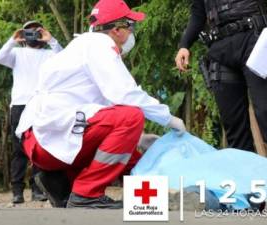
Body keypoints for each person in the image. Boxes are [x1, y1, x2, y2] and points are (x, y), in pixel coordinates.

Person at [15, 0, 187, 209]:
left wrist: (137, 138)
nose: (132, 33)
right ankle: (86, 194)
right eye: (130, 26)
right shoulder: (100, 46)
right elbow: (126, 95)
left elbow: (104, 114)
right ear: (117, 30)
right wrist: (169, 119)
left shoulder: (81, 47)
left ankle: (61, 183)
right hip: (49, 139)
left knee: (130, 146)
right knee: (132, 117)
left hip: (44, 139)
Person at [175, 0, 267, 169]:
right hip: (220, 49)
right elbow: (198, 12)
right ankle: (246, 177)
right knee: (233, 121)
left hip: (255, 39)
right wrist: (184, 45)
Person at [0, 21, 63, 204]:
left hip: (41, 104)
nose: (33, 34)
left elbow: (65, 61)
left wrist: (52, 40)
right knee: (19, 149)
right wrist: (13, 40)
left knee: (39, 147)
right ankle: (17, 191)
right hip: (19, 105)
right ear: (24, 35)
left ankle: (37, 190)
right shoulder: (17, 53)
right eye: (29, 31)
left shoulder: (49, 54)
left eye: (37, 31)